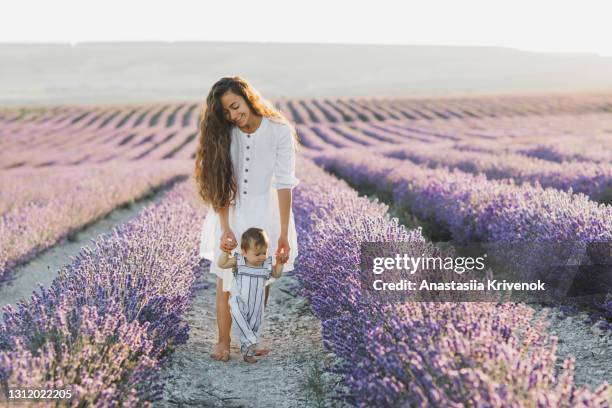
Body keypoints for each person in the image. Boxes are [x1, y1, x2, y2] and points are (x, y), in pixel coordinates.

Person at [194, 75, 300, 362]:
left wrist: (283, 233)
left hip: (267, 212)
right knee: (226, 277)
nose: (233, 115)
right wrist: (225, 226)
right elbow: (220, 184)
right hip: (232, 209)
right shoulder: (226, 134)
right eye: (226, 112)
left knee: (259, 278)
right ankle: (223, 341)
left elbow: (284, 182)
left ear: (248, 97)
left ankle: (250, 339)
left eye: (235, 106)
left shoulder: (279, 130)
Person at [217, 227, 284, 363]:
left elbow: (276, 274)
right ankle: (252, 342)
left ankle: (248, 354)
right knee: (239, 317)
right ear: (245, 252)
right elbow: (222, 264)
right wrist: (226, 251)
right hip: (239, 301)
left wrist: (280, 263)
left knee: (254, 326)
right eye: (257, 254)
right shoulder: (239, 261)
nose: (262, 257)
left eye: (264, 253)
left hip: (256, 305)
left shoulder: (265, 265)